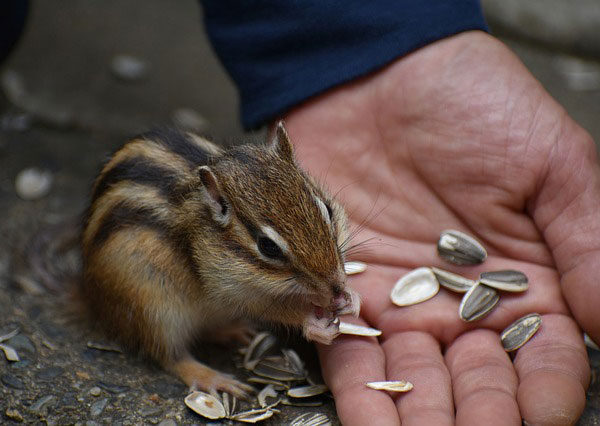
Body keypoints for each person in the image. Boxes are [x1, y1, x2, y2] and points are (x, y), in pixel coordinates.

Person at [201, 1, 596, 424]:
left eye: (328, 216)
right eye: (271, 249)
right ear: (216, 202)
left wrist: (389, 45)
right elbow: (232, 290)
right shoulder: (212, 244)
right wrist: (299, 315)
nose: (339, 276)